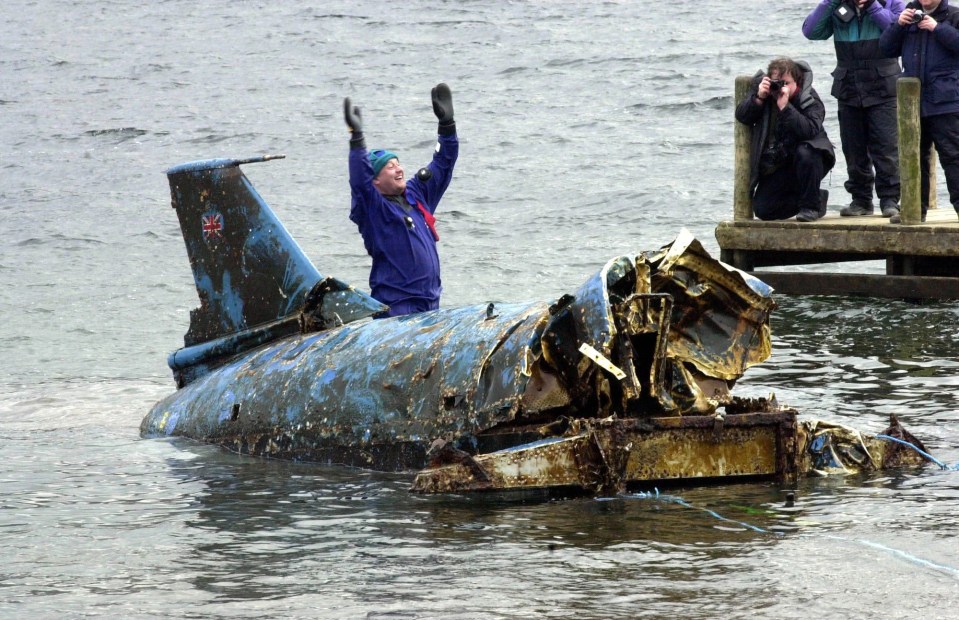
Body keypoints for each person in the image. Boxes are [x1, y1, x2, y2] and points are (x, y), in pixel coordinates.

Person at [343, 83, 458, 316]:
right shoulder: (374, 210)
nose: (399, 169)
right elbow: (359, 184)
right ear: (375, 180)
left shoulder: (417, 196)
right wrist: (357, 141)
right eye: (389, 166)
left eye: (398, 163)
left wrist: (447, 126)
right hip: (396, 310)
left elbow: (443, 164)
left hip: (430, 306)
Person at [803, 0, 906, 218]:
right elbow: (811, 32)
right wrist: (829, 2)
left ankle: (890, 200)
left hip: (883, 86)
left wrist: (872, 6)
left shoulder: (891, 3)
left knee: (886, 147)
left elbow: (897, 30)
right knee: (853, 148)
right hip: (848, 85)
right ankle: (861, 200)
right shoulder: (837, 6)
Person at [880, 0, 959, 222]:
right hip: (912, 103)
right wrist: (898, 24)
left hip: (946, 101)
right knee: (913, 157)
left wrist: (937, 27)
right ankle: (915, 210)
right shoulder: (908, 15)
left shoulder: (953, 16)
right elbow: (885, 48)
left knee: (953, 156)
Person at [735, 58, 837, 221]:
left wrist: (785, 107)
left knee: (805, 153)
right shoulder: (766, 95)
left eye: (786, 83)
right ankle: (816, 198)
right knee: (764, 209)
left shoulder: (809, 98)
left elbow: (808, 130)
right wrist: (759, 98)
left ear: (797, 82)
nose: (781, 87)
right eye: (777, 82)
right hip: (781, 162)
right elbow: (742, 116)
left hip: (812, 159)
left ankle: (810, 207)